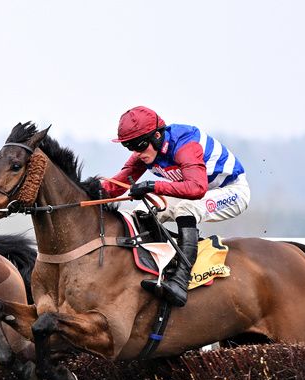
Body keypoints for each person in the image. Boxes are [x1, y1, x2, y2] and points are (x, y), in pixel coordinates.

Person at [99, 106, 250, 307]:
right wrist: (85, 190)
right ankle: (161, 266)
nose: (137, 152)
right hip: (196, 192)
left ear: (158, 136)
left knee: (186, 209)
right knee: (143, 212)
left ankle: (181, 279)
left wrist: (152, 185)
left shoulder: (185, 145)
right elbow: (116, 186)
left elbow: (197, 188)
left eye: (140, 145)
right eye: (130, 147)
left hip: (232, 191)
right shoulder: (146, 152)